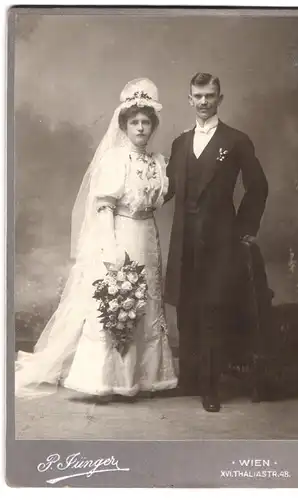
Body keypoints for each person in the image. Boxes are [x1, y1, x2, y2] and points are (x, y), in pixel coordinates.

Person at [15, 78, 178, 400]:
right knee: (121, 299)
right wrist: (111, 248)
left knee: (147, 304)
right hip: (122, 233)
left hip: (148, 237)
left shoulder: (159, 162)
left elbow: (160, 197)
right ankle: (111, 380)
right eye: (135, 123)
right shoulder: (115, 160)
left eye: (146, 122)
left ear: (153, 126)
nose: (141, 128)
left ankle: (145, 378)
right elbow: (105, 207)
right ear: (124, 125)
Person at [164, 72, 268, 412]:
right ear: (189, 99)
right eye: (198, 95)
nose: (204, 101)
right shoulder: (180, 143)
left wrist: (243, 228)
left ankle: (211, 387)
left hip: (219, 240)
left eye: (210, 95)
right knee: (186, 307)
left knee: (212, 310)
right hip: (184, 240)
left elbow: (258, 186)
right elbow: (167, 189)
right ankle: (189, 381)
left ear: (220, 98)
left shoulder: (236, 140)